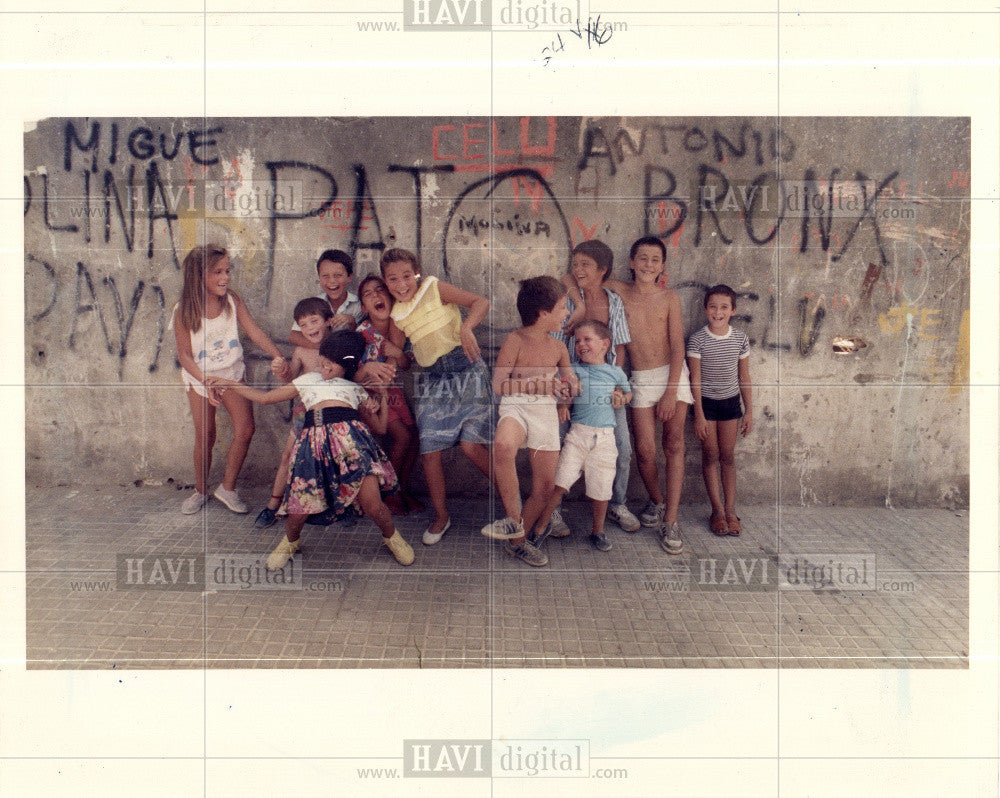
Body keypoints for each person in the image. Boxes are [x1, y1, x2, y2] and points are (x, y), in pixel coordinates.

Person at [209, 330, 414, 569]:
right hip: (311, 449)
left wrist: (382, 397)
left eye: (333, 366)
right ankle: (290, 542)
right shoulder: (307, 380)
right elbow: (264, 398)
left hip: (354, 448)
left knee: (373, 505)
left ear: (347, 368)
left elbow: (379, 428)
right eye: (323, 361)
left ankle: (392, 538)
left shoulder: (354, 388)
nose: (325, 367)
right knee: (298, 511)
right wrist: (229, 383)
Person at [565, 236, 690, 553]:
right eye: (642, 258)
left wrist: (671, 389)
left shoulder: (670, 297)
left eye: (655, 260)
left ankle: (671, 521)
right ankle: (657, 501)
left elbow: (678, 346)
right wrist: (579, 305)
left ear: (663, 266)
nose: (649, 265)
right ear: (631, 263)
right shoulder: (618, 290)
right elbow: (572, 276)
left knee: (673, 444)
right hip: (639, 378)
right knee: (645, 451)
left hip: (672, 375)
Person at [381, 248, 493, 545]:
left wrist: (467, 326)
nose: (401, 284)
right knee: (429, 451)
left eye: (406, 276)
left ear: (416, 273)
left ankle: (514, 501)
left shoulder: (433, 287)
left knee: (472, 447)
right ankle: (442, 516)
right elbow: (403, 359)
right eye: (393, 279)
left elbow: (480, 302)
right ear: (385, 281)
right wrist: (392, 357)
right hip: (431, 380)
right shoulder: (396, 314)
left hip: (466, 369)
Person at [171, 244, 288, 515]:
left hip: (232, 374)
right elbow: (185, 355)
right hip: (201, 378)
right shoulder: (184, 310)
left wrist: (277, 356)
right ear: (198, 276)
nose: (225, 277)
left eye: (227, 270)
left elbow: (255, 332)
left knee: (246, 429)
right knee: (205, 435)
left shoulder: (232, 301)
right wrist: (205, 381)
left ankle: (227, 487)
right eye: (217, 272)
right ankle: (200, 491)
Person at [480, 276, 577, 567]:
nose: (567, 313)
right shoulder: (515, 340)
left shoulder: (558, 348)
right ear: (543, 313)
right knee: (503, 445)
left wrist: (567, 394)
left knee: (545, 487)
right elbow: (499, 385)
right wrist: (540, 386)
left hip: (546, 412)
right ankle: (512, 518)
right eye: (562, 308)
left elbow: (569, 380)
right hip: (517, 407)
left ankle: (517, 542)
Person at [553, 240, 637, 535]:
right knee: (559, 444)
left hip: (605, 390)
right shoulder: (565, 299)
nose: (577, 270)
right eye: (575, 264)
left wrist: (617, 386)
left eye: (585, 265)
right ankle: (553, 512)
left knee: (622, 448)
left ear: (603, 270)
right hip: (570, 384)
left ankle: (617, 503)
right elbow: (554, 343)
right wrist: (563, 390)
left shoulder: (613, 301)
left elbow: (621, 348)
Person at [530, 320, 631, 552]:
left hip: (605, 438)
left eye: (587, 340)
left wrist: (621, 397)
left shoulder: (615, 372)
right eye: (577, 341)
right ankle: (541, 527)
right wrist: (563, 405)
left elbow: (628, 393)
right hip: (577, 436)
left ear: (605, 344)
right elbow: (565, 390)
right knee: (560, 483)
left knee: (602, 489)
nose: (580, 345)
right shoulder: (574, 369)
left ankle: (598, 531)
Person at [253, 297, 334, 528]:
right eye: (303, 324)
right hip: (304, 412)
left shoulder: (338, 345)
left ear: (327, 321)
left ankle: (337, 506)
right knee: (288, 457)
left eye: (314, 321)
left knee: (330, 460)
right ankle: (273, 506)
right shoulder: (300, 351)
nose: (309, 328)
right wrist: (282, 371)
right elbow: (291, 379)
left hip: (332, 414)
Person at [687, 284, 754, 536]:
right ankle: (716, 510)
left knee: (727, 456)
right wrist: (700, 414)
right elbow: (695, 378)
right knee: (710, 454)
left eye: (724, 307)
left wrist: (749, 411)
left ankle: (730, 510)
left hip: (730, 404)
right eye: (713, 307)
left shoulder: (740, 338)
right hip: (707, 405)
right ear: (705, 310)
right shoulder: (698, 339)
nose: (718, 312)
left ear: (733, 310)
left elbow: (744, 376)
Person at [356, 274, 422, 515]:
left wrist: (396, 351)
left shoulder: (399, 326)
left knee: (414, 436)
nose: (376, 296)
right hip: (370, 394)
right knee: (403, 437)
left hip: (391, 392)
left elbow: (404, 364)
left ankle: (402, 488)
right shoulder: (362, 331)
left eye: (379, 290)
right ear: (363, 307)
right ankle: (390, 493)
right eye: (368, 294)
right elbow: (351, 372)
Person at [288, 249, 364, 350]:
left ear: (349, 277)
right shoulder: (313, 304)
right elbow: (294, 336)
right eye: (325, 276)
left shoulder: (358, 305)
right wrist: (326, 350)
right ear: (319, 278)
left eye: (338, 275)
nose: (332, 281)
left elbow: (360, 339)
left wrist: (352, 321)